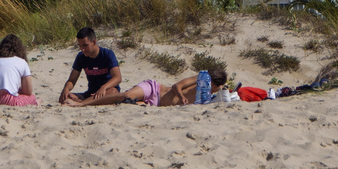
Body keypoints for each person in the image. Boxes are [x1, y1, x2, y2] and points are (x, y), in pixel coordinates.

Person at [67, 66, 228, 108]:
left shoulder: (208, 98)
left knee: (120, 104)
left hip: (154, 105)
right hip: (155, 89)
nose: (214, 89)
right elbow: (177, 85)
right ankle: (82, 103)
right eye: (215, 86)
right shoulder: (200, 78)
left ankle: (83, 99)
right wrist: (181, 97)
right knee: (126, 95)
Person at [58, 27, 121, 104]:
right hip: (91, 93)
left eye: (85, 45)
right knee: (64, 97)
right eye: (80, 46)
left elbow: (117, 77)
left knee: (113, 92)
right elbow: (72, 80)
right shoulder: (81, 56)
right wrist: (66, 89)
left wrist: (103, 87)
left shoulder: (107, 54)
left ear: (94, 42)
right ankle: (88, 101)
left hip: (107, 91)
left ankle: (82, 103)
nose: (82, 49)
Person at [0, 34, 39, 106]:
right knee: (32, 98)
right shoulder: (22, 62)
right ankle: (38, 102)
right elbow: (28, 91)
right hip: (6, 99)